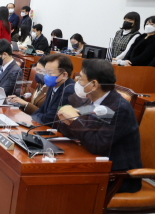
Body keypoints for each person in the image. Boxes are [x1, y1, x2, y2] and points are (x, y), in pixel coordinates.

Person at [57, 59, 142, 193]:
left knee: (58, 180)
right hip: (96, 163)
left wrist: (74, 119)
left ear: (94, 84)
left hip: (118, 176)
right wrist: (64, 119)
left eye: (81, 80)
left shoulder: (119, 108)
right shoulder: (93, 100)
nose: (77, 83)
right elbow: (77, 132)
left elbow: (97, 144)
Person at [30, 54, 75, 125]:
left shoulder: (68, 91)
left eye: (50, 73)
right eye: (45, 72)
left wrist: (35, 117)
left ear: (64, 75)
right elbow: (43, 108)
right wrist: (31, 118)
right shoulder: (53, 84)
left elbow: (50, 118)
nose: (46, 76)